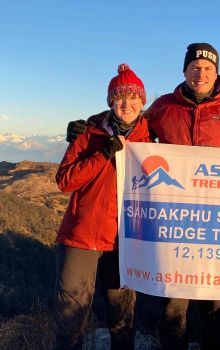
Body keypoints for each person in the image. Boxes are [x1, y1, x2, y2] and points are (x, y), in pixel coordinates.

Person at [66, 43, 220, 350]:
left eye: (207, 69)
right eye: (194, 67)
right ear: (184, 71)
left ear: (217, 73)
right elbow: (130, 120)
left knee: (215, 305)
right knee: (172, 306)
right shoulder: (164, 106)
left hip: (217, 223)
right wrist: (86, 127)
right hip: (174, 222)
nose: (200, 74)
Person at [53, 64, 152, 350]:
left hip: (124, 239)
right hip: (81, 236)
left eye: (134, 98)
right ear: (111, 102)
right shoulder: (89, 134)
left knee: (122, 318)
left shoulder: (151, 140)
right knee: (70, 318)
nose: (127, 104)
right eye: (120, 98)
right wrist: (102, 155)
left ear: (142, 102)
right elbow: (65, 181)